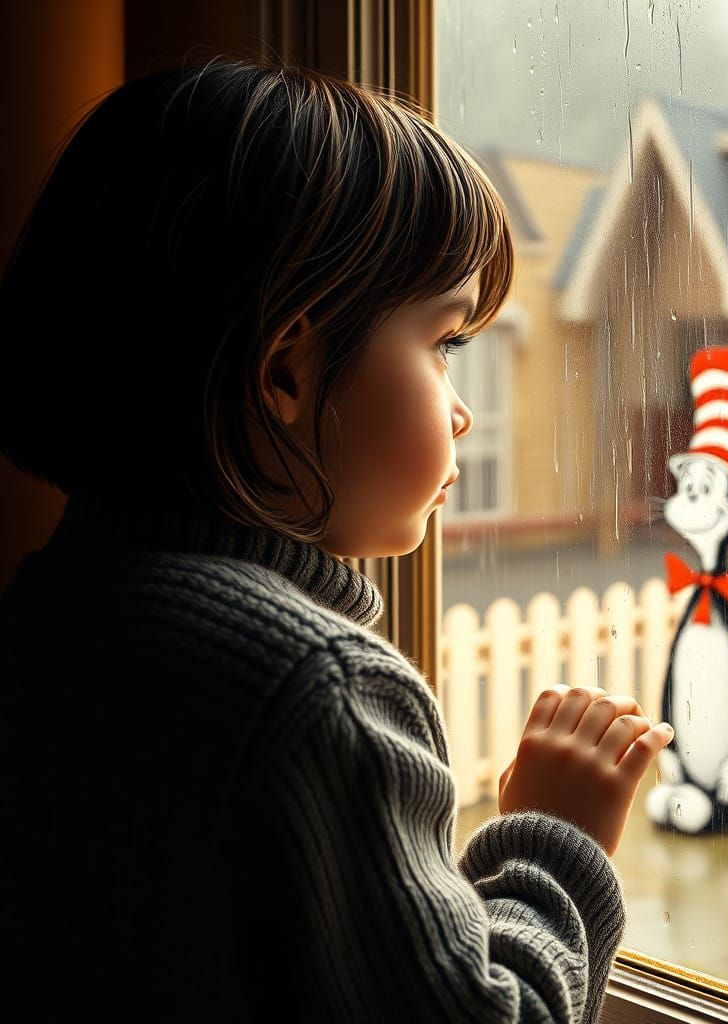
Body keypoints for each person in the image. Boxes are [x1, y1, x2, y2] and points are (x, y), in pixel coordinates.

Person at [0, 57, 676, 1022]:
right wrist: (547, 840)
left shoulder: (54, 603)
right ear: (285, 372)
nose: (461, 414)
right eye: (443, 344)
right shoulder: (323, 692)